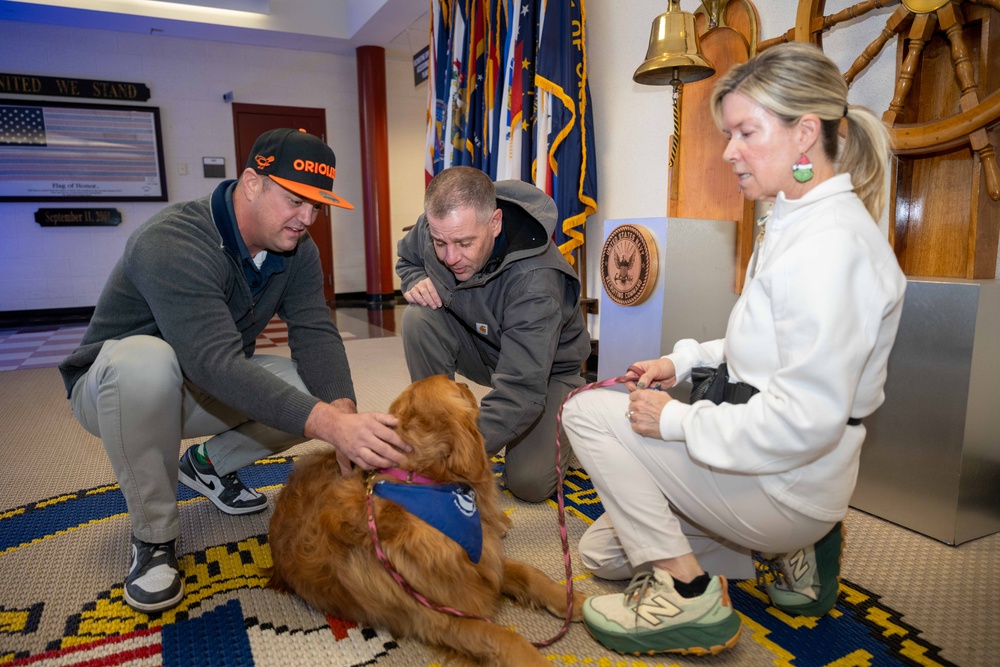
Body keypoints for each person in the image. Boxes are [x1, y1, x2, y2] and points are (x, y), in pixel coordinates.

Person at [561, 42, 907, 656]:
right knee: (602, 552)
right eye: (729, 133)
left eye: (746, 132)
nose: (728, 151)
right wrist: (684, 361)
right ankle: (782, 548)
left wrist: (678, 420)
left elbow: (806, 420)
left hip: (787, 475)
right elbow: (763, 343)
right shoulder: (792, 217)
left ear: (805, 134)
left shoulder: (832, 248)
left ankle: (689, 594)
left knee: (585, 413)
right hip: (762, 457)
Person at [59, 128, 411, 614]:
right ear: (251, 183)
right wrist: (329, 425)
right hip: (115, 391)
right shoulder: (171, 240)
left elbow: (314, 332)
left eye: (318, 207)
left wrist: (342, 412)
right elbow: (215, 362)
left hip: (198, 385)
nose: (307, 219)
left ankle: (206, 465)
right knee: (146, 360)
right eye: (295, 200)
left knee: (313, 392)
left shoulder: (296, 250)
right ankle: (154, 538)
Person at [396, 166, 591, 502]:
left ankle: (573, 411)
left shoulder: (536, 282)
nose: (450, 256)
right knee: (418, 318)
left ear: (495, 223)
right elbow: (408, 259)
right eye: (440, 243)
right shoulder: (440, 224)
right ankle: (437, 428)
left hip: (544, 371)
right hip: (482, 341)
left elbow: (521, 388)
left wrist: (458, 457)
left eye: (464, 243)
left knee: (528, 483)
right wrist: (414, 281)